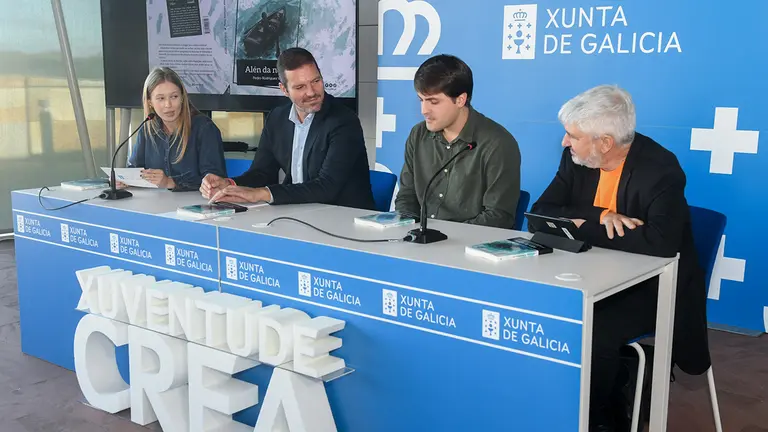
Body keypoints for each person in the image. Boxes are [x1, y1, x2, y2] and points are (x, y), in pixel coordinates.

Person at [530, 85, 710, 431]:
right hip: (589, 272)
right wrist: (601, 217)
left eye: (573, 136)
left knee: (593, 330)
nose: (566, 142)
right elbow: (542, 213)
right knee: (547, 308)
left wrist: (580, 225)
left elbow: (660, 242)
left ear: (605, 143)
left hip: (652, 286)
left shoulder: (661, 169)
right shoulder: (578, 158)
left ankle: (602, 419)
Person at [202, 48, 375, 210]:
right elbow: (262, 172)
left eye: (316, 81)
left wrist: (260, 194)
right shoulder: (277, 117)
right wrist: (229, 184)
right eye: (300, 87)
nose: (311, 92)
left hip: (343, 216)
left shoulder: (344, 120)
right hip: (297, 213)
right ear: (284, 90)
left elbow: (327, 187)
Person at [394, 54, 521, 229]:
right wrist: (409, 229)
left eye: (433, 102)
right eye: (421, 100)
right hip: (420, 241)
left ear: (460, 100)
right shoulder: (418, 134)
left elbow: (498, 217)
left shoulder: (497, 143)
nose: (424, 110)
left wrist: (444, 237)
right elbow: (407, 195)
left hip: (467, 247)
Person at [128, 67, 226, 191]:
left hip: (196, 206)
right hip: (155, 205)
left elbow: (215, 181)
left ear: (182, 97)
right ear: (150, 102)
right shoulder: (147, 129)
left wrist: (170, 182)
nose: (168, 105)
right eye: (161, 98)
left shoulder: (204, 128)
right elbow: (136, 169)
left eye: (174, 97)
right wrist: (124, 180)